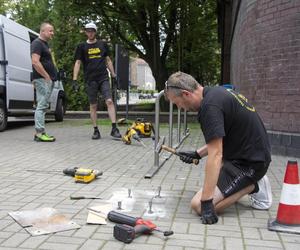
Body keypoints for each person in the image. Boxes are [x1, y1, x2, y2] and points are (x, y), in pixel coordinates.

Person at [164, 72, 272, 224]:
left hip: (250, 164)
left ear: (186, 94)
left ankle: (254, 185)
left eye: (177, 103)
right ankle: (245, 183)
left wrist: (207, 202)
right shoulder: (215, 93)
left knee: (198, 205)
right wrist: (197, 154)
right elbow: (221, 137)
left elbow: (216, 154)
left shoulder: (209, 107)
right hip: (247, 155)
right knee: (212, 178)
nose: (180, 108)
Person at [72, 22, 121, 139]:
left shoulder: (102, 44)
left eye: (92, 31)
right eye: (88, 31)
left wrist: (113, 75)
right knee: (93, 105)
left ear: (95, 32)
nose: (90, 33)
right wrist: (74, 79)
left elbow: (108, 60)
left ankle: (114, 128)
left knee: (109, 101)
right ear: (85, 32)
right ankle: (96, 130)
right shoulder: (82, 46)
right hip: (90, 79)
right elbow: (78, 62)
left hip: (103, 77)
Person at [31, 22, 57, 142]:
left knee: (42, 105)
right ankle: (39, 133)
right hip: (42, 79)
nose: (52, 33)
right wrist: (47, 76)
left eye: (52, 31)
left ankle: (40, 133)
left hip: (45, 79)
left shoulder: (45, 44)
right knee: (42, 106)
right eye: (50, 31)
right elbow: (35, 62)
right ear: (42, 31)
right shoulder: (37, 43)